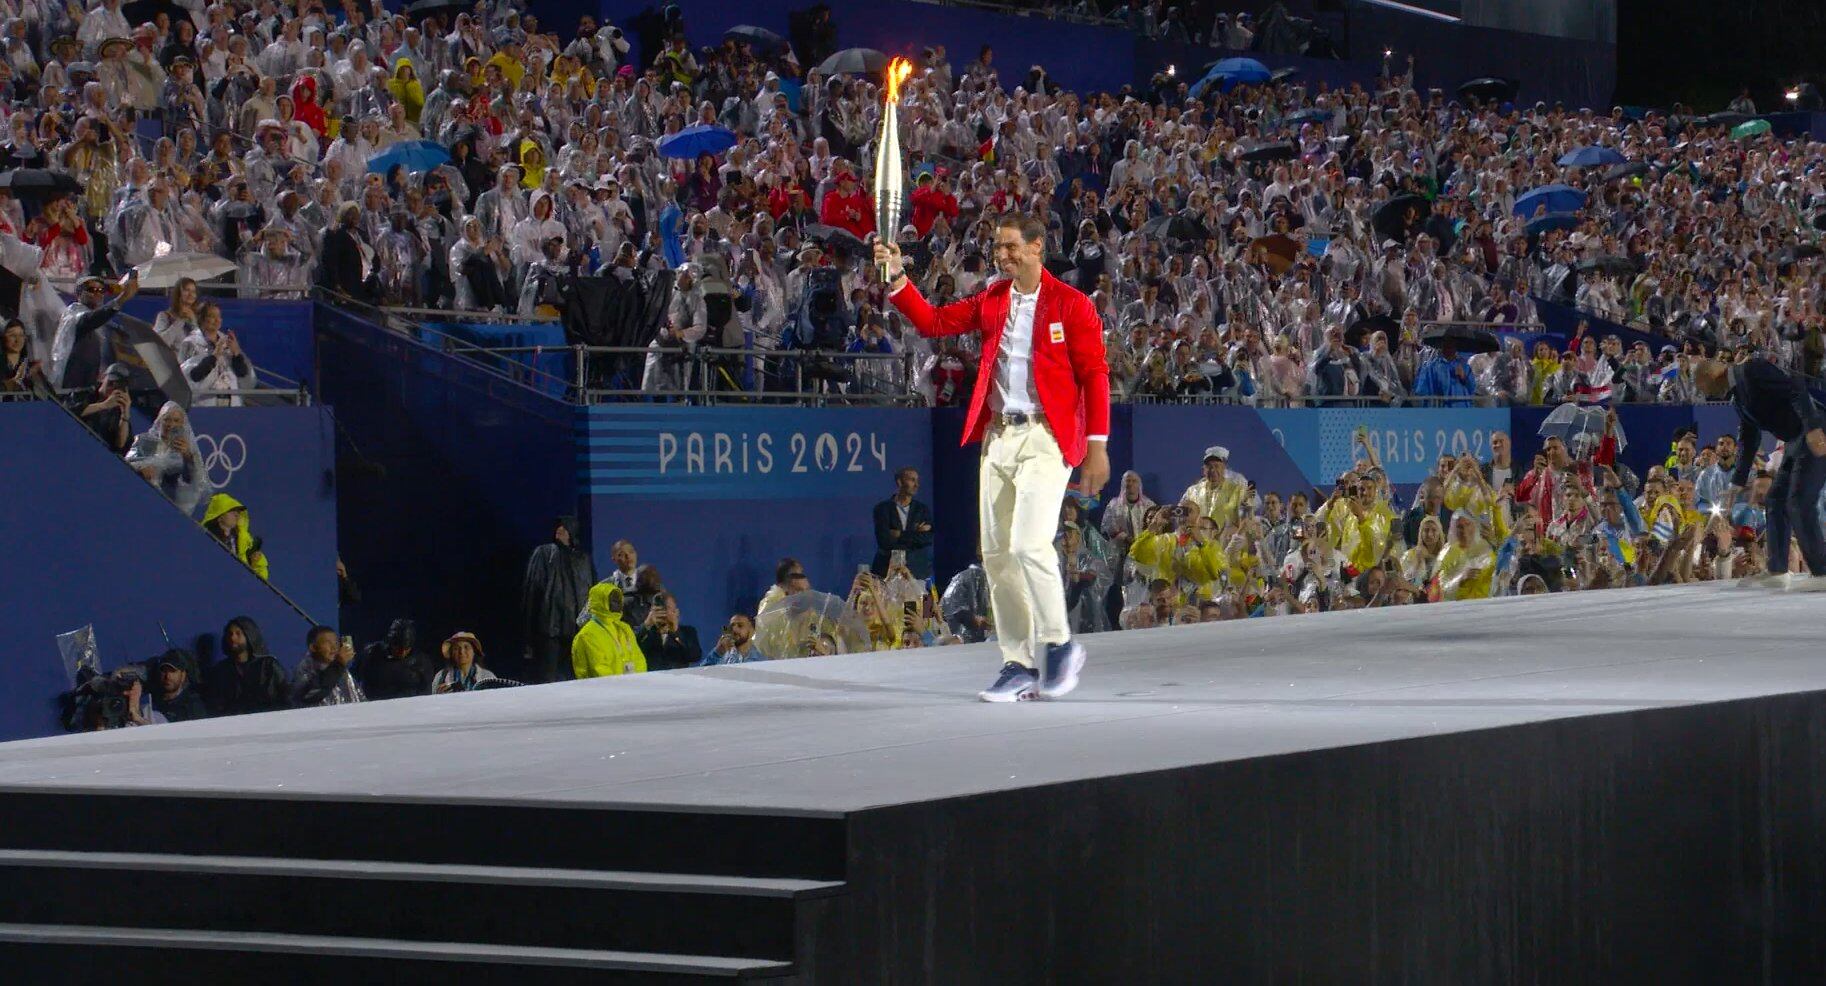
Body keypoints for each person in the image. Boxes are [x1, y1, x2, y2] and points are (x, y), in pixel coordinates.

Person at [878, 213, 1111, 702]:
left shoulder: (1072, 305)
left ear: (1037, 247)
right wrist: (897, 277)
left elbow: (1094, 375)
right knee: (998, 556)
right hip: (999, 437)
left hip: (1048, 437)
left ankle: (1059, 643)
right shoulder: (991, 299)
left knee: (1029, 545)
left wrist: (1098, 446)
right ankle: (1018, 662)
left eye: (1010, 246)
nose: (1001, 255)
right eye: (997, 247)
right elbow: (933, 322)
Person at [1700, 357, 1826, 589]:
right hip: (1795, 440)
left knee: (1799, 501)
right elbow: (1750, 437)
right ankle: (1777, 571)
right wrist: (1737, 483)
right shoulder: (1738, 397)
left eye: (1702, 386)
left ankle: (1822, 571)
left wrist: (1813, 427)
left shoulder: (1751, 369)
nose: (1704, 393)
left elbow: (1796, 387)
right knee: (1775, 500)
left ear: (1712, 375)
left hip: (1814, 432)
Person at [521, 515, 595, 682]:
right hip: (550, 630)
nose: (559, 530)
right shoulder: (544, 553)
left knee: (578, 678)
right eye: (558, 526)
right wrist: (529, 635)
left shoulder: (583, 559)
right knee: (548, 679)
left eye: (565, 526)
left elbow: (592, 593)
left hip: (578, 630)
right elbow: (532, 593)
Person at [49, 271, 138, 390]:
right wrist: (121, 299)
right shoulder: (73, 314)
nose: (98, 294)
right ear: (79, 294)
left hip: (89, 384)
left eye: (101, 291)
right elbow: (91, 319)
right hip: (70, 384)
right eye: (92, 290)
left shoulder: (103, 323)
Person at [124, 400, 210, 515]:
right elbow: (125, 465)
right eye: (167, 419)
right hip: (140, 499)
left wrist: (188, 457)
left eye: (176, 420)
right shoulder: (144, 440)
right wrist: (140, 468)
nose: (170, 424)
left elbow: (192, 481)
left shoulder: (185, 449)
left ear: (183, 425)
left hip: (169, 505)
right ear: (159, 421)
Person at [202, 615, 288, 716]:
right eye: (230, 634)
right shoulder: (221, 670)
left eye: (238, 633)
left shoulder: (268, 665)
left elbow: (285, 697)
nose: (233, 638)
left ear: (249, 635)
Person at [871, 467, 934, 579]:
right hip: (886, 571)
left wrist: (900, 534)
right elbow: (884, 541)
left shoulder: (922, 510)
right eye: (912, 480)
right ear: (900, 482)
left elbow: (927, 539)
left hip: (916, 572)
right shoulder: (882, 509)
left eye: (917, 480)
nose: (916, 485)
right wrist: (915, 534)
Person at [573, 581, 645, 678]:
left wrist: (638, 681)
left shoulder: (625, 628)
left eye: (619, 599)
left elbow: (639, 659)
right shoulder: (588, 635)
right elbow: (599, 671)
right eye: (613, 600)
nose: (619, 603)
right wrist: (624, 684)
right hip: (603, 687)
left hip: (632, 685)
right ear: (601, 602)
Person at [356, 618, 437, 700]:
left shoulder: (421, 662)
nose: (402, 652)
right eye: (398, 648)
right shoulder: (372, 655)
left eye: (406, 648)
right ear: (391, 643)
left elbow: (426, 694)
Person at [292, 625, 364, 706]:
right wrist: (339, 664)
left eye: (336, 643)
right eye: (327, 643)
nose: (334, 647)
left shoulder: (341, 669)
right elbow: (310, 694)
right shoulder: (305, 669)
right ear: (313, 647)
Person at [202, 493, 269, 580]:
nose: (237, 515)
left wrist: (257, 563)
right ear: (220, 515)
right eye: (232, 511)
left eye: (238, 512)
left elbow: (261, 581)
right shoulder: (204, 537)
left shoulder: (246, 543)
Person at [76, 362, 134, 455]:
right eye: (110, 383)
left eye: (117, 386)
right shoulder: (85, 394)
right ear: (102, 378)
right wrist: (104, 405)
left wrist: (125, 415)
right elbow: (70, 411)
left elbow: (120, 445)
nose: (112, 388)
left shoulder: (117, 413)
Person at [635, 591, 702, 670]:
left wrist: (676, 632)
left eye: (666, 608)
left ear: (677, 612)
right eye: (658, 610)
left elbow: (695, 656)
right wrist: (646, 624)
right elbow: (630, 647)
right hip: (651, 677)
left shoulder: (688, 632)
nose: (662, 613)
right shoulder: (645, 634)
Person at [150, 649, 209, 723]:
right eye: (164, 671)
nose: (167, 676)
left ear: (183, 675)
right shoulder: (152, 703)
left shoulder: (193, 706)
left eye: (173, 671)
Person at [433, 631, 499, 692]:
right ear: (451, 653)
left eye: (466, 647)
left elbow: (495, 698)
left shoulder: (487, 676)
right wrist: (439, 696)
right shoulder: (441, 676)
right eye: (456, 648)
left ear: (474, 651)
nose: (461, 652)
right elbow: (432, 699)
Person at [703, 613, 767, 664]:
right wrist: (718, 652)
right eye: (732, 626)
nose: (734, 629)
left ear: (752, 631)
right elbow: (700, 673)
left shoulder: (762, 660)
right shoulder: (720, 655)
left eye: (740, 625)